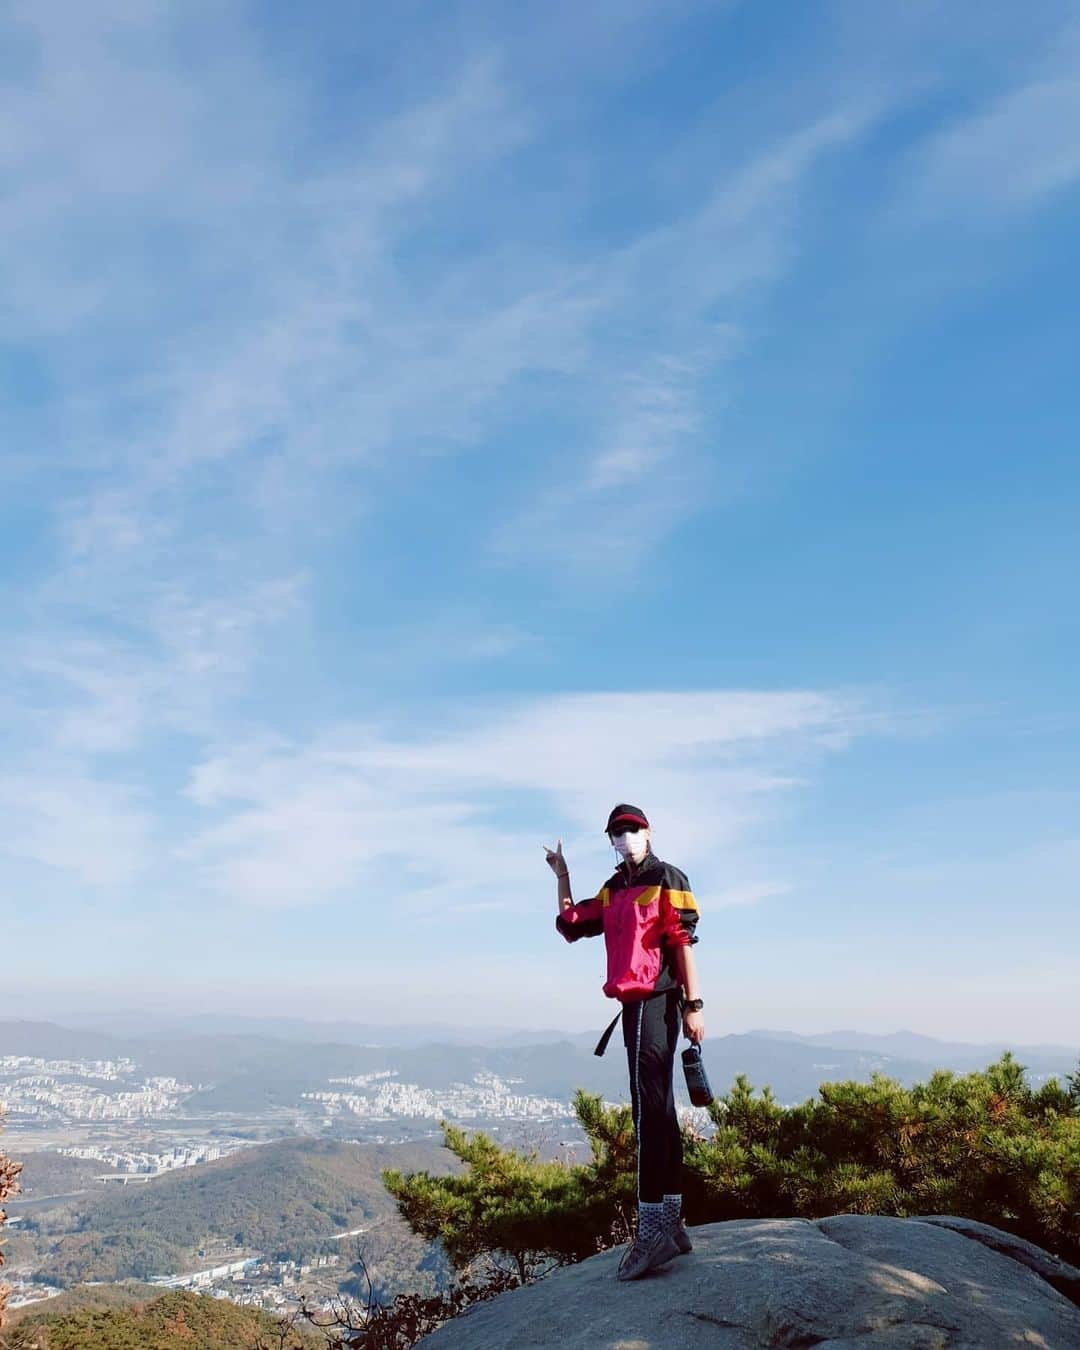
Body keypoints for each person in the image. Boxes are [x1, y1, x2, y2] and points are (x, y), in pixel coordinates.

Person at [546, 803, 704, 1282]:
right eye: (616, 832)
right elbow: (573, 922)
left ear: (648, 831)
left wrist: (694, 1005)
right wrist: (563, 874)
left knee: (647, 1114)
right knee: (661, 1109)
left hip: (657, 1002)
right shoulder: (614, 889)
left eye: (631, 829)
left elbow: (681, 943)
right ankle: (672, 1221)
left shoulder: (668, 879)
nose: (625, 837)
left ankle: (652, 1226)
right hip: (635, 1009)